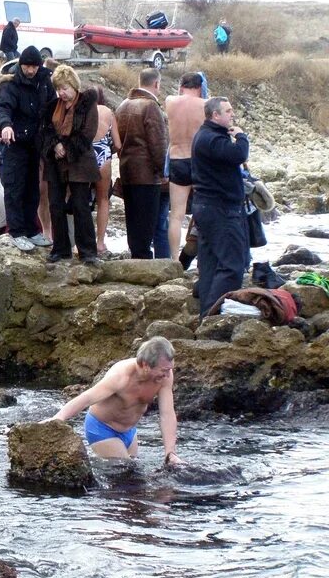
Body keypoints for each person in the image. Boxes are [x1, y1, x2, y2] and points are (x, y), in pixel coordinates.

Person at [49, 337, 181, 464]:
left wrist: (170, 453)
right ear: (146, 365)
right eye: (164, 370)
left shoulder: (164, 377)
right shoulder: (121, 376)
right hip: (102, 428)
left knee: (133, 472)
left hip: (129, 431)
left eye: (170, 369)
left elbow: (167, 414)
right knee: (128, 474)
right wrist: (58, 418)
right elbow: (87, 398)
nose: (168, 375)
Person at [0, 45, 56, 251]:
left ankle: (32, 230)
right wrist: (6, 125)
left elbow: (53, 108)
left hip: (36, 143)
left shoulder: (45, 82)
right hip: (15, 143)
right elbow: (2, 108)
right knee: (14, 187)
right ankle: (17, 231)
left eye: (34, 67)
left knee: (33, 190)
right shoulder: (10, 84)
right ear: (21, 65)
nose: (31, 71)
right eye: (27, 66)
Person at [191, 97, 250, 316]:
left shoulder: (208, 136)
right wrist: (242, 136)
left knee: (210, 265)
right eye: (228, 111)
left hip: (208, 208)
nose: (232, 114)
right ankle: (213, 315)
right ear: (215, 115)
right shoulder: (210, 138)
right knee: (233, 265)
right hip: (220, 209)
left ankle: (206, 317)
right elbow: (239, 154)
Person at [39, 66, 100, 265]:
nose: (61, 93)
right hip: (55, 162)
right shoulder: (53, 106)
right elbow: (47, 130)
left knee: (81, 205)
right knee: (55, 204)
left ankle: (87, 251)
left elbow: (88, 132)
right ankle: (61, 248)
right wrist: (55, 145)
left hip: (79, 162)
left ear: (73, 85)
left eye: (64, 88)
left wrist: (67, 148)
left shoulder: (87, 104)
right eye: (59, 89)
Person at [115, 69, 168, 259]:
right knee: (146, 224)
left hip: (127, 170)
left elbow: (117, 141)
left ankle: (136, 259)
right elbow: (158, 144)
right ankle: (144, 262)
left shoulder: (123, 105)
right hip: (146, 174)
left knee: (133, 222)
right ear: (157, 84)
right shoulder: (150, 106)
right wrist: (165, 171)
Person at [166, 73, 207, 261]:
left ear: (182, 85)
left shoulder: (170, 101)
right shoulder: (206, 104)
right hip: (199, 161)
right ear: (200, 87)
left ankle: (174, 259)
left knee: (176, 214)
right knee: (203, 211)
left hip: (177, 159)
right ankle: (203, 257)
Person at [90, 86, 122, 255]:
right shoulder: (108, 112)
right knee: (103, 200)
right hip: (103, 157)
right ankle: (100, 242)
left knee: (79, 200)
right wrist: (109, 151)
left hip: (84, 158)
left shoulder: (80, 109)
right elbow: (117, 144)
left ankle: (78, 241)